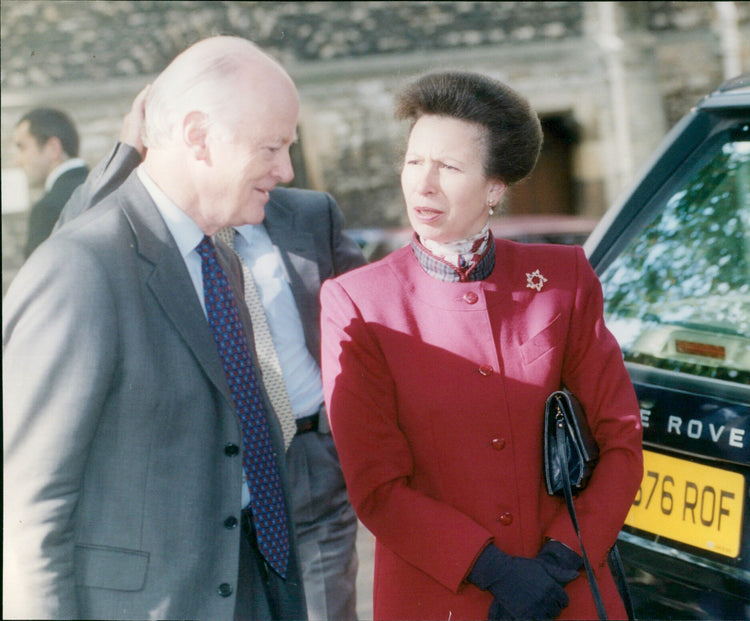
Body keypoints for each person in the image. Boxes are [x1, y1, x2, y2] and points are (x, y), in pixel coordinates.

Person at [320, 71, 644, 620]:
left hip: (567, 590)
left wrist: (563, 556)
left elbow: (621, 438)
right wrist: (492, 569)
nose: (423, 185)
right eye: (414, 161)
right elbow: (376, 486)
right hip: (441, 595)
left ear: (495, 187)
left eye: (448, 167)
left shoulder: (562, 277)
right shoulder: (357, 301)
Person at [4, 36, 308, 620]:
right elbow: (29, 517)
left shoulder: (221, 261)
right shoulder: (79, 270)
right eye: (272, 147)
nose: (286, 170)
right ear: (198, 136)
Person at [55, 75, 365, 621]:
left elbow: (369, 323)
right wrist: (129, 147)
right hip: (210, 470)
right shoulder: (147, 243)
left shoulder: (309, 214)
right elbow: (72, 242)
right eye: (269, 147)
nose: (283, 167)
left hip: (311, 457)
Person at [13, 107, 89, 257]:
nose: (18, 161)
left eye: (22, 147)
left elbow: (38, 279)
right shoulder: (107, 187)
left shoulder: (47, 210)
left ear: (53, 148)